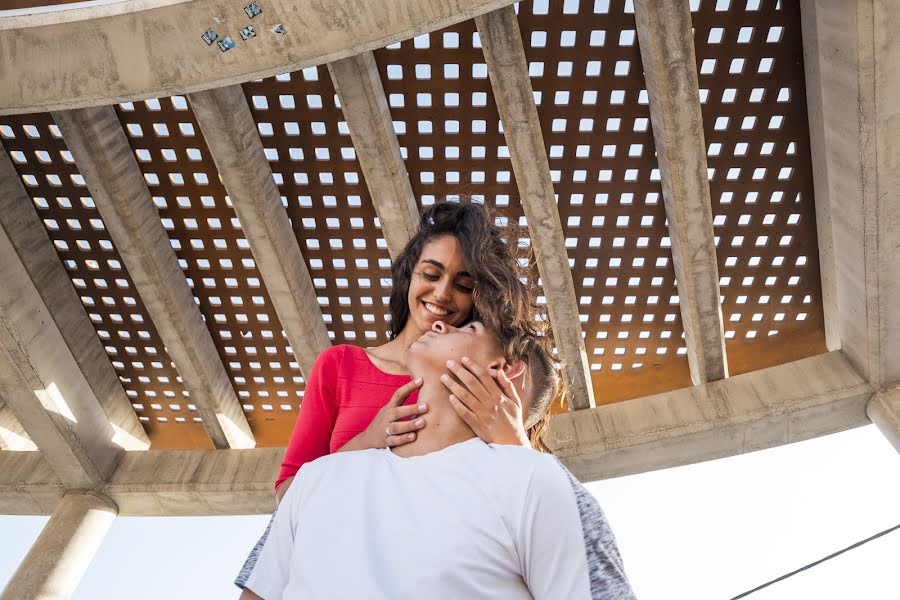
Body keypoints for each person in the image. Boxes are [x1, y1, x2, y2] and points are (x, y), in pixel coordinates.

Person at [236, 201, 543, 595]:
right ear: (409, 276)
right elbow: (289, 495)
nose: (443, 294)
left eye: (464, 285)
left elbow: (514, 505)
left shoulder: (476, 377)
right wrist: (368, 441)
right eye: (431, 274)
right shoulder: (340, 366)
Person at [240, 320, 636, 599]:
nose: (441, 324)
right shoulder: (318, 478)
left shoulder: (535, 481)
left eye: (469, 329)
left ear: (502, 371)